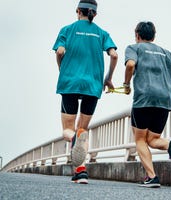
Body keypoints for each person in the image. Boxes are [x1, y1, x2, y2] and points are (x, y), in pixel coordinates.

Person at [52, 0, 118, 184]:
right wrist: (108, 78)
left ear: (77, 11)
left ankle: (79, 160)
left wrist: (62, 70)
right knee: (83, 130)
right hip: (93, 85)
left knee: (69, 130)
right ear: (94, 14)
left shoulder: (67, 29)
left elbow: (60, 52)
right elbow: (114, 55)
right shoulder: (102, 33)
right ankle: (80, 171)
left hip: (70, 83)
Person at [123, 21, 171, 188]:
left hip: (144, 99)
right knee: (153, 139)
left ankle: (152, 177)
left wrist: (126, 84)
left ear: (137, 35)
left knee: (140, 139)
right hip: (164, 100)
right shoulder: (165, 52)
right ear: (154, 36)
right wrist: (170, 90)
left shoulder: (134, 48)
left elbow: (130, 64)